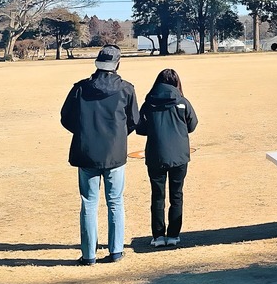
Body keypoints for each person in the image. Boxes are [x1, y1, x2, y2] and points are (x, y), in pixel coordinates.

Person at [60, 44, 139, 264]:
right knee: (115, 202)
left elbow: (66, 118)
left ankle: (89, 255)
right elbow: (134, 120)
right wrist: (118, 135)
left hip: (86, 152)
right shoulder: (126, 89)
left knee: (89, 203)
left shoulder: (81, 88)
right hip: (115, 153)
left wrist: (84, 131)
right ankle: (115, 251)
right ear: (117, 64)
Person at [136, 69, 198, 248]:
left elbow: (140, 128)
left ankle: (157, 236)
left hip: (155, 154)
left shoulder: (149, 103)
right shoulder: (182, 102)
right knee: (176, 195)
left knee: (157, 196)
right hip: (179, 155)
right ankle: (173, 235)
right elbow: (192, 125)